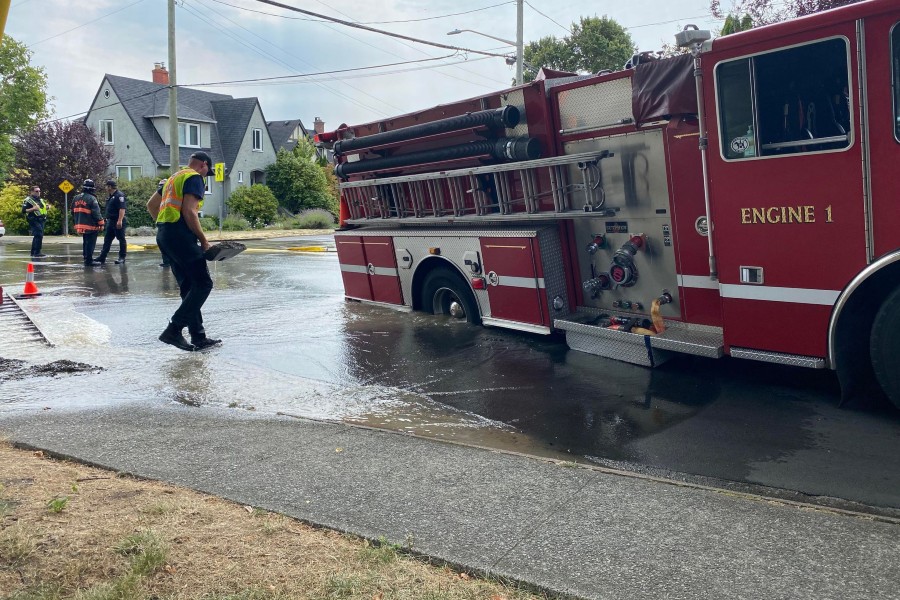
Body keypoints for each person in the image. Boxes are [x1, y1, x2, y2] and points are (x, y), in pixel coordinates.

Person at [147, 151, 221, 351]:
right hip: (180, 236)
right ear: (204, 165)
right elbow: (189, 211)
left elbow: (151, 205)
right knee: (204, 283)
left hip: (165, 235)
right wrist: (204, 241)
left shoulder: (173, 178)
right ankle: (174, 329)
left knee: (189, 287)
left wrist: (165, 226)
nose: (206, 177)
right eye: (207, 173)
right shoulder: (195, 178)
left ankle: (198, 337)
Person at [72, 179, 105, 266]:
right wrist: (101, 223)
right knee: (90, 243)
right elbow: (96, 213)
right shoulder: (92, 198)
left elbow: (72, 211)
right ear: (91, 189)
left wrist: (76, 222)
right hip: (90, 225)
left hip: (80, 224)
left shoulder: (76, 197)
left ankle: (86, 258)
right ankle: (89, 260)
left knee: (85, 242)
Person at [95, 179, 127, 264]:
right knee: (107, 240)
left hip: (117, 221)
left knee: (121, 239)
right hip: (110, 221)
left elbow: (122, 208)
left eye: (106, 186)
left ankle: (122, 257)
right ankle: (102, 257)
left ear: (110, 187)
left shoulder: (119, 195)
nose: (105, 188)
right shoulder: (110, 196)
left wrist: (120, 220)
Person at [21, 186, 48, 258]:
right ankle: (37, 252)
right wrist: (33, 209)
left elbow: (42, 208)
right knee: (39, 234)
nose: (38, 192)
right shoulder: (28, 200)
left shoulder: (40, 200)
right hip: (33, 219)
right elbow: (23, 211)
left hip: (41, 219)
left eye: (39, 191)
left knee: (38, 235)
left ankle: (33, 252)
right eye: (36, 191)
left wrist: (47, 207)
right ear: (32, 192)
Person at [156, 179, 171, 268]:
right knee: (162, 243)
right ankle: (166, 261)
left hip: (170, 223)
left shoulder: (170, 196)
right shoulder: (159, 196)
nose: (161, 187)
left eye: (162, 185)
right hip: (162, 222)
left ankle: (171, 261)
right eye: (160, 186)